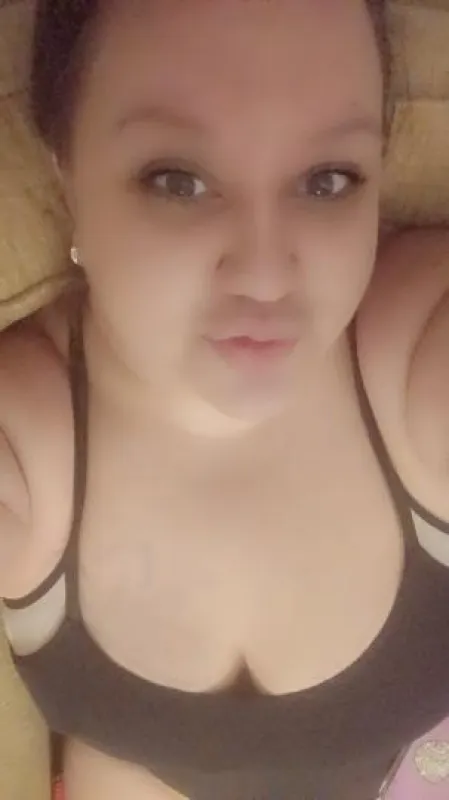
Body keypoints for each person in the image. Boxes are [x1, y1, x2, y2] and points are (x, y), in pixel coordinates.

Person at [1, 0, 449, 798]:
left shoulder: (419, 359)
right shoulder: (25, 443)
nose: (266, 276)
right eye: (178, 181)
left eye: (327, 180)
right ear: (66, 171)